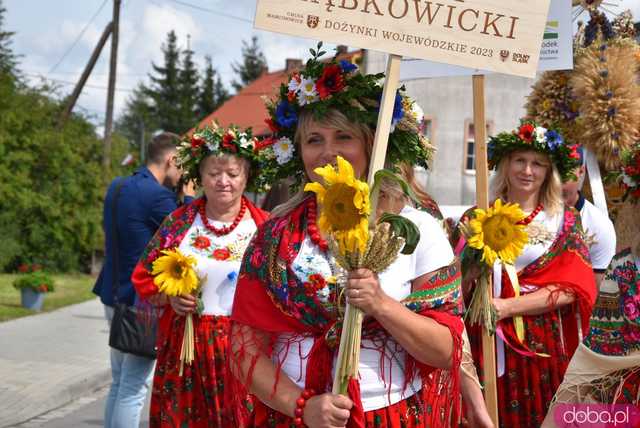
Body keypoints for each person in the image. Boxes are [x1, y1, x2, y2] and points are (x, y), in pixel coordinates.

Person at [229, 52, 464, 428]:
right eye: (314, 139)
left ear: (372, 145)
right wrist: (303, 406)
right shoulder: (274, 235)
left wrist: (381, 305)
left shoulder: (416, 228)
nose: (328, 152)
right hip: (294, 415)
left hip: (390, 415)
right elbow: (244, 349)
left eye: (344, 137)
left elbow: (446, 349)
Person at [458, 122, 597, 428]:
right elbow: (456, 286)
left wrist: (508, 307)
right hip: (487, 339)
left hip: (544, 344)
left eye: (538, 164)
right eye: (520, 160)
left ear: (549, 172)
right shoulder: (476, 216)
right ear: (506, 165)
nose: (527, 170)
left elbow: (575, 286)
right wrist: (471, 268)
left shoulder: (564, 219)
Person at [131, 125, 269, 427]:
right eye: (213, 174)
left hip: (244, 350)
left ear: (246, 176)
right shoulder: (178, 223)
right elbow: (143, 276)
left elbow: (283, 287)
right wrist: (170, 297)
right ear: (200, 177)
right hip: (185, 352)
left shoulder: (266, 228)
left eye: (232, 174)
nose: (223, 182)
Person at [93, 132, 195, 428]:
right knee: (134, 387)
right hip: (140, 303)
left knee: (119, 382)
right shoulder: (157, 197)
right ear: (170, 160)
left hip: (111, 295)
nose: (181, 173)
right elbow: (186, 234)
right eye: (181, 166)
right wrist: (187, 196)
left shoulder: (118, 185)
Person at [542, 147, 640, 426]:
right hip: (628, 403)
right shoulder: (625, 268)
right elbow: (596, 351)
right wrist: (559, 417)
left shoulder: (599, 226)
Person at [561, 147, 616, 287]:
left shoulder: (599, 226)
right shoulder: (522, 209)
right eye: (552, 171)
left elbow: (600, 292)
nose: (557, 181)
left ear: (581, 171)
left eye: (565, 171)